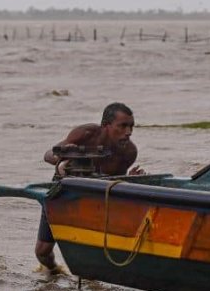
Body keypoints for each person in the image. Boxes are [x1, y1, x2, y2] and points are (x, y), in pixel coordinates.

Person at [36, 102, 144, 273]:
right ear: (106, 125)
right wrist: (63, 156)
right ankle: (54, 271)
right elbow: (48, 155)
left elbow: (114, 185)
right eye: (122, 126)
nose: (128, 132)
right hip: (63, 191)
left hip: (95, 199)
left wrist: (129, 181)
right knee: (42, 251)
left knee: (93, 247)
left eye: (131, 127)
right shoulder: (85, 133)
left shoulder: (129, 152)